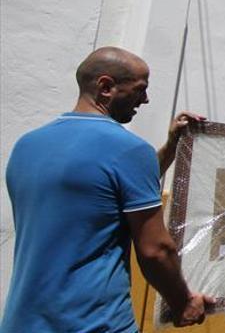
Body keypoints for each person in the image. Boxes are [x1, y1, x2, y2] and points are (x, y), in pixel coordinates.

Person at [2, 46, 213, 332]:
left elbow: (106, 189)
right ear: (106, 87)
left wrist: (171, 146)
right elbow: (157, 251)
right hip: (93, 324)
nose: (146, 99)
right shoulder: (128, 150)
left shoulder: (26, 145)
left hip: (22, 322)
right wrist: (183, 302)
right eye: (140, 89)